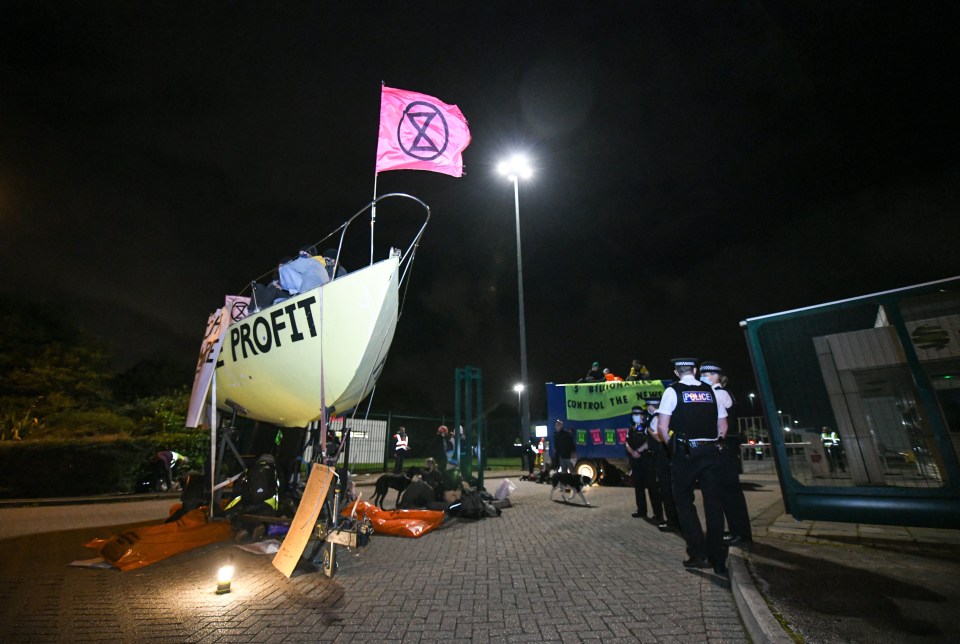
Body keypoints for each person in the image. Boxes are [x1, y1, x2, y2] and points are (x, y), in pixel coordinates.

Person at [657, 357, 729, 576]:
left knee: (684, 502)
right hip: (710, 452)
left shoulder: (672, 391)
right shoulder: (711, 392)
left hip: (685, 453)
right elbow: (723, 426)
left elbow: (662, 426)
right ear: (696, 371)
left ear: (677, 372)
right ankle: (718, 559)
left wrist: (674, 448)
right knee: (714, 504)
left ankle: (698, 553)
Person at [700, 361, 753, 548]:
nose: (702, 377)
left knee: (730, 493)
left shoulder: (719, 393)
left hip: (725, 448)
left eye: (706, 374)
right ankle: (737, 531)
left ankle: (741, 534)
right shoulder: (716, 393)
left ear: (716, 376)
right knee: (726, 492)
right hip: (724, 448)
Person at [645, 400, 680, 532]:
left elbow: (660, 438)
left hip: (662, 457)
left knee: (666, 490)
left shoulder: (658, 418)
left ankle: (672, 521)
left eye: (649, 405)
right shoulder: (663, 416)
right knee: (668, 490)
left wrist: (648, 429)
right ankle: (673, 519)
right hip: (665, 456)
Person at [625, 405, 662, 521]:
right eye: (633, 414)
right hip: (635, 461)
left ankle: (658, 513)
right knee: (638, 486)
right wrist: (632, 452)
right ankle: (641, 510)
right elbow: (626, 443)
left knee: (652, 487)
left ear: (642, 416)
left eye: (637, 414)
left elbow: (648, 442)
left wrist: (638, 451)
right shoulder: (631, 429)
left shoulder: (647, 428)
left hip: (647, 460)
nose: (635, 416)